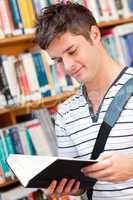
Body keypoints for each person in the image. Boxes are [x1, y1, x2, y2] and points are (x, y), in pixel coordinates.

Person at [35, 2, 133, 200]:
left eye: (72, 51)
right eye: (59, 60)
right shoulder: (65, 114)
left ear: (95, 35)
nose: (68, 66)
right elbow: (81, 183)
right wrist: (70, 186)